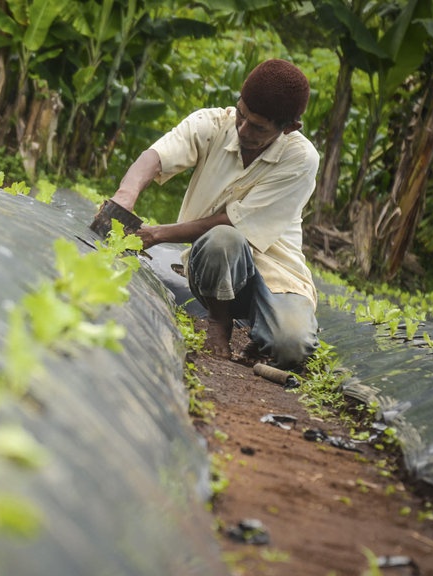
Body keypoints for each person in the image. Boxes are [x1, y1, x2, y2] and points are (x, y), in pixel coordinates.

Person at [106, 58, 320, 369]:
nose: (243, 129)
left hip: (275, 270)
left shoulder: (300, 159)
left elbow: (236, 222)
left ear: (288, 127)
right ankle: (219, 321)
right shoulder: (214, 124)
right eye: (241, 115)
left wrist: (154, 234)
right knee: (221, 241)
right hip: (213, 262)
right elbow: (156, 156)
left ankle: (265, 329)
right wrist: (124, 197)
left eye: (257, 126)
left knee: (291, 346)